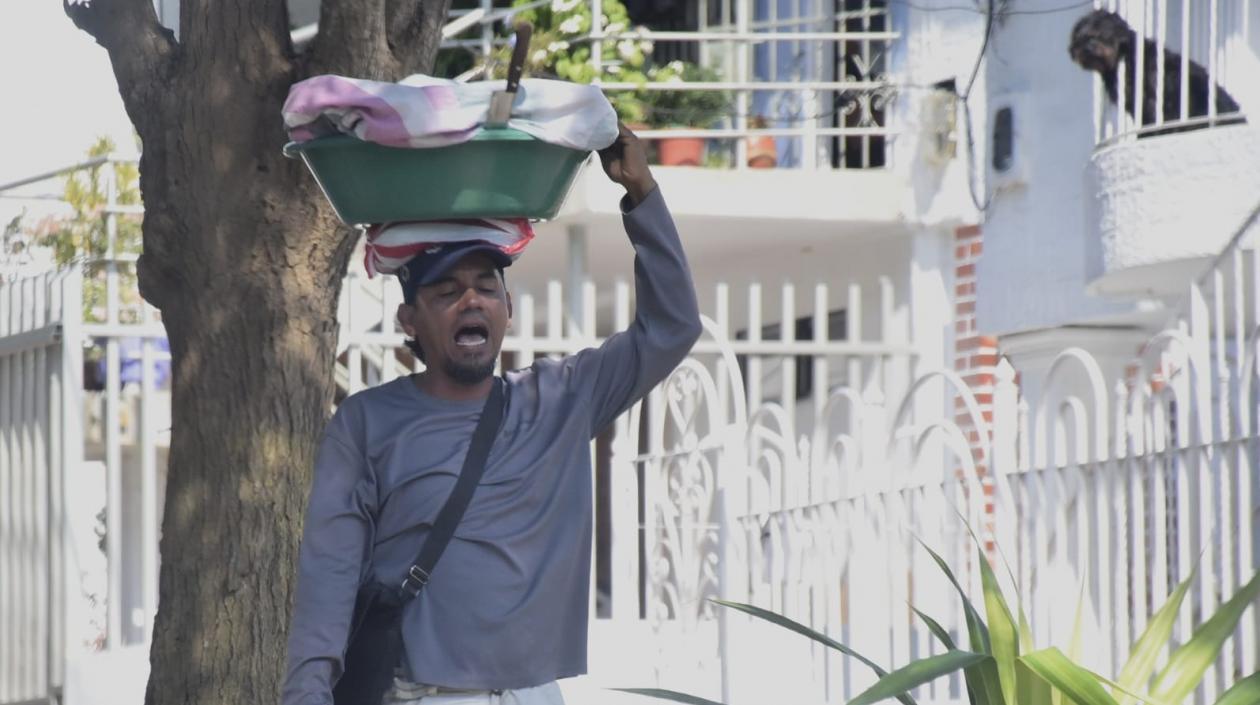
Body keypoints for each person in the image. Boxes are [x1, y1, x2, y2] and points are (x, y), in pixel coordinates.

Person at [282, 124, 702, 705]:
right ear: (410, 322)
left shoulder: (562, 397)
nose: (471, 300)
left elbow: (673, 327)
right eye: (446, 292)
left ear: (507, 308)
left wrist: (641, 192)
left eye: (486, 286)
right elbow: (328, 575)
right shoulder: (365, 423)